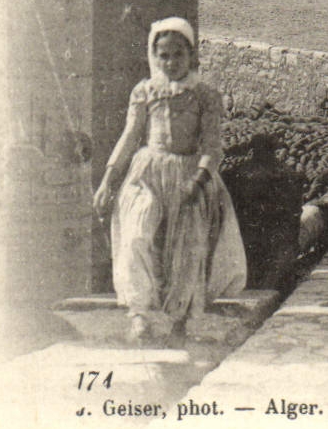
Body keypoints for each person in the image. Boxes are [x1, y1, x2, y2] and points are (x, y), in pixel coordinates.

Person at [92, 18, 247, 345]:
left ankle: (181, 318)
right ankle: (140, 312)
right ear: (154, 56)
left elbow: (212, 145)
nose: (171, 62)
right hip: (147, 174)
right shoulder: (145, 91)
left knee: (187, 247)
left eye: (178, 54)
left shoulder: (204, 95)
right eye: (163, 55)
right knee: (137, 235)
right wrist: (109, 179)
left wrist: (200, 179)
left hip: (190, 176)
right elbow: (130, 136)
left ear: (191, 55)